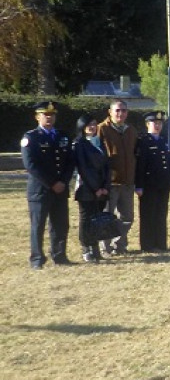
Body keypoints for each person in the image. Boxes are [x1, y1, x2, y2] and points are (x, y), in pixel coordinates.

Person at [21, 101, 74, 269]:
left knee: (60, 224)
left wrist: (63, 182)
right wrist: (52, 183)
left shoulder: (63, 136)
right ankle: (37, 259)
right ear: (38, 117)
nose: (49, 118)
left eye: (52, 115)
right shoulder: (31, 138)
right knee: (38, 225)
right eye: (46, 115)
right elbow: (31, 165)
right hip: (40, 190)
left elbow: (69, 162)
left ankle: (59, 255)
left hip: (60, 189)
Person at [97, 98, 137, 256]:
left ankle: (119, 245)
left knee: (127, 217)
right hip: (110, 182)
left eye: (124, 110)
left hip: (127, 181)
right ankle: (105, 248)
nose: (121, 113)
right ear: (110, 112)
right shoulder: (102, 129)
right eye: (117, 110)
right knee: (107, 217)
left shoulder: (131, 130)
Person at [134, 111, 170, 252]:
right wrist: (139, 185)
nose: (157, 126)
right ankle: (148, 245)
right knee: (148, 215)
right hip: (149, 184)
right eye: (154, 123)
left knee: (161, 214)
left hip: (163, 183)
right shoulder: (143, 141)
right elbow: (140, 165)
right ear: (147, 124)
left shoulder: (164, 140)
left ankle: (161, 243)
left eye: (159, 123)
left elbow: (169, 163)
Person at [73, 114, 111, 262]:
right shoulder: (79, 143)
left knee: (97, 219)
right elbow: (83, 168)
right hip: (86, 188)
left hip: (102, 188)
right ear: (82, 127)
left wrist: (105, 187)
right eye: (88, 125)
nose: (92, 127)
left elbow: (107, 166)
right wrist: (95, 188)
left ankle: (95, 249)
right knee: (86, 219)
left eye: (94, 124)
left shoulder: (99, 142)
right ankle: (86, 248)